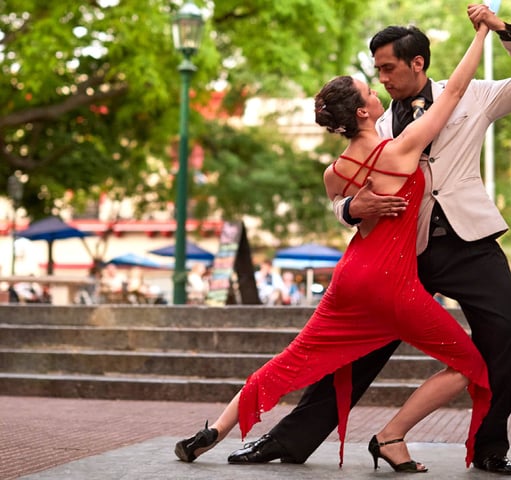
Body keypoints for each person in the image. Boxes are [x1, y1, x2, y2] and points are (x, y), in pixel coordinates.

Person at [228, 4, 511, 475]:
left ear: (417, 62)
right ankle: (288, 440)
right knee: (358, 349)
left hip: (470, 242)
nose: (381, 79)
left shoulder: (473, 94)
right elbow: (343, 193)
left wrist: (505, 32)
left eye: (388, 68)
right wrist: (349, 209)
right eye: (376, 70)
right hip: (401, 253)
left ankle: (489, 447)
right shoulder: (376, 123)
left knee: (508, 336)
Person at [175, 13, 492, 472]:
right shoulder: (400, 150)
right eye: (369, 92)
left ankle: (214, 431)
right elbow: (456, 90)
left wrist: (353, 207)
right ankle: (391, 436)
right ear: (362, 112)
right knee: (468, 365)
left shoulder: (334, 173)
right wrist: (482, 33)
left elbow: (346, 210)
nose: (377, 90)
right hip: (392, 284)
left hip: (348, 281)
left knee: (291, 360)